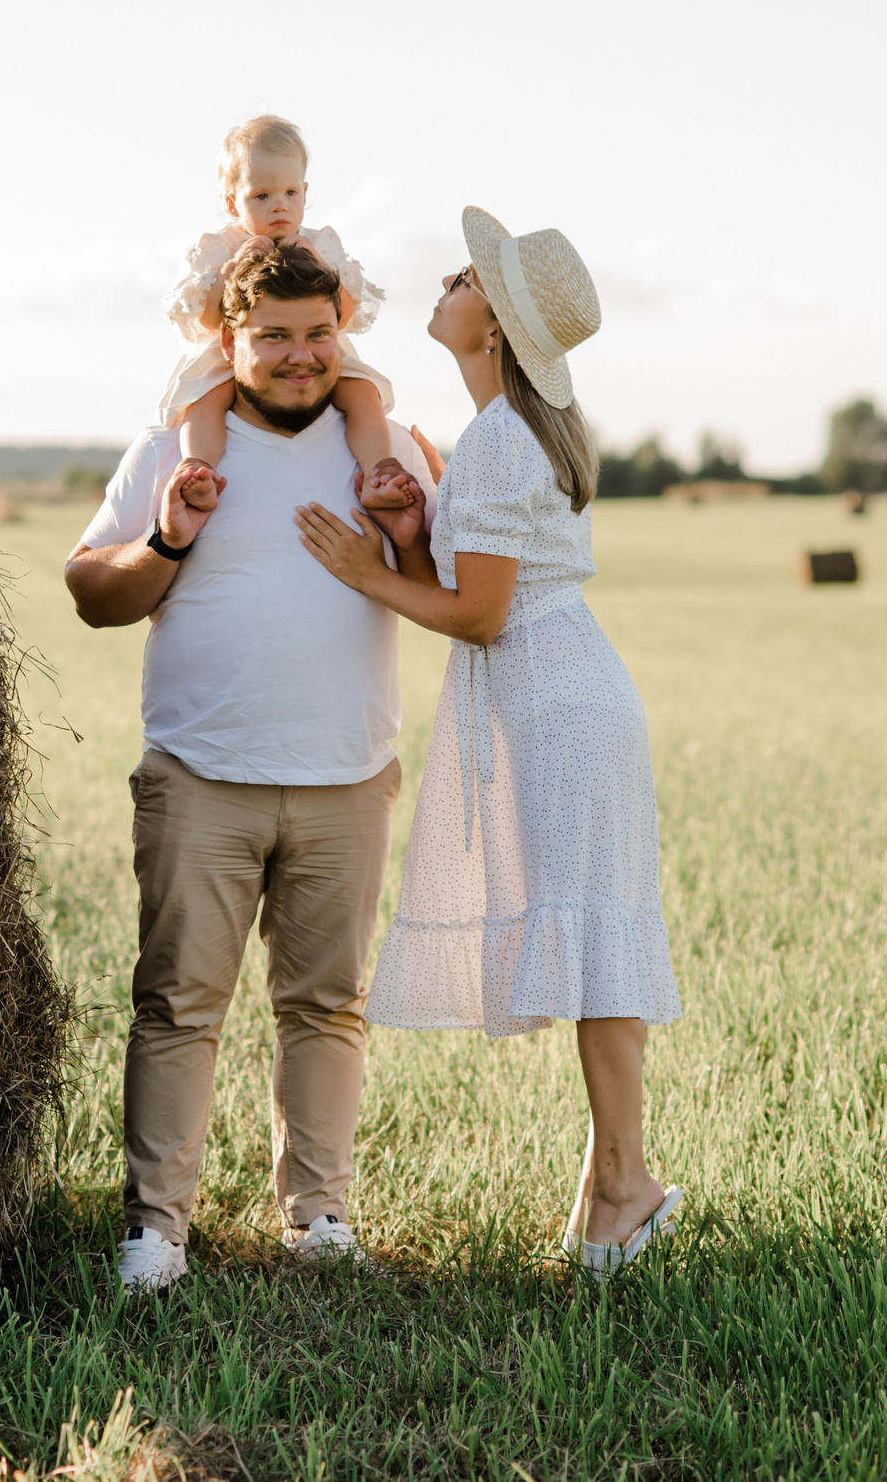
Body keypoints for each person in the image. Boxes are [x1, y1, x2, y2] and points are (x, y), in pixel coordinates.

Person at [293, 206, 686, 1277]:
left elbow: (481, 617)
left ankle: (627, 1183)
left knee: (597, 946)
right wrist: (417, 536)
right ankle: (613, 1187)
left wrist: (366, 570)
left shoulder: (506, 438)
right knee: (594, 948)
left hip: (560, 707)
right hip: (554, 702)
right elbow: (468, 592)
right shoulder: (493, 436)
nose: (447, 282)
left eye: (467, 278)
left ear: (494, 329)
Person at [67, 234, 436, 1294]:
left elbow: (440, 581)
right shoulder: (175, 449)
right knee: (179, 1002)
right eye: (272, 336)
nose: (297, 355)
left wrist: (403, 534)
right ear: (229, 341)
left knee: (325, 1005)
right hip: (200, 775)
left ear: (341, 335)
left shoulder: (387, 449)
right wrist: (168, 540)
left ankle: (317, 1214)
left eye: (317, 334)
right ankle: (156, 1228)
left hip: (347, 778)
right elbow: (93, 591)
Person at [159, 115, 413, 518]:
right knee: (204, 397)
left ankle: (379, 470)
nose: (279, 204)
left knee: (362, 392)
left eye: (291, 192)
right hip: (235, 353)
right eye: (261, 196)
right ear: (231, 203)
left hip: (315, 347)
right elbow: (205, 320)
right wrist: (230, 271)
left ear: (305, 192)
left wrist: (320, 268)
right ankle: (199, 468)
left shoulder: (319, 243)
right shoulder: (220, 246)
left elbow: (343, 315)